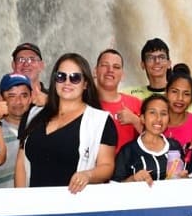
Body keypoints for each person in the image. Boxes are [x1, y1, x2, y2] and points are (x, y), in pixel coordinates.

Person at [16, 53, 117, 192]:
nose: (67, 82)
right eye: (61, 77)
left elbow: (107, 166)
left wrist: (88, 175)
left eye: (75, 78)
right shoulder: (33, 115)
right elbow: (21, 163)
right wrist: (20, 201)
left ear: (85, 84)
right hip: (33, 207)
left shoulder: (100, 121)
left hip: (73, 208)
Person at [114, 95, 187, 183]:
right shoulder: (128, 151)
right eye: (152, 112)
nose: (158, 118)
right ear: (142, 118)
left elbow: (182, 181)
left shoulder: (175, 146)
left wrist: (184, 179)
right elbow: (114, 187)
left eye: (163, 114)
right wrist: (133, 179)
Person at [0, 73, 36, 188]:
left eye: (24, 95)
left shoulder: (41, 127)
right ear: (0, 98)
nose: (18, 101)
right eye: (11, 96)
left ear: (31, 98)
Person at [95, 48, 143, 152]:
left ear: (122, 75)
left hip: (126, 166)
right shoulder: (84, 103)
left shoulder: (136, 103)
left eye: (116, 67)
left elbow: (154, 139)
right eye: (104, 65)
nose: (110, 70)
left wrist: (135, 121)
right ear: (95, 71)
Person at [163, 64, 192, 149]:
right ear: (166, 93)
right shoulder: (156, 121)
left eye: (186, 94)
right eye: (174, 92)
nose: (180, 98)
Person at [11, 42, 48, 107]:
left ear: (41, 65)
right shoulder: (4, 101)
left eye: (32, 59)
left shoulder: (55, 99)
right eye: (20, 60)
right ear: (13, 65)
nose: (26, 64)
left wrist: (49, 104)